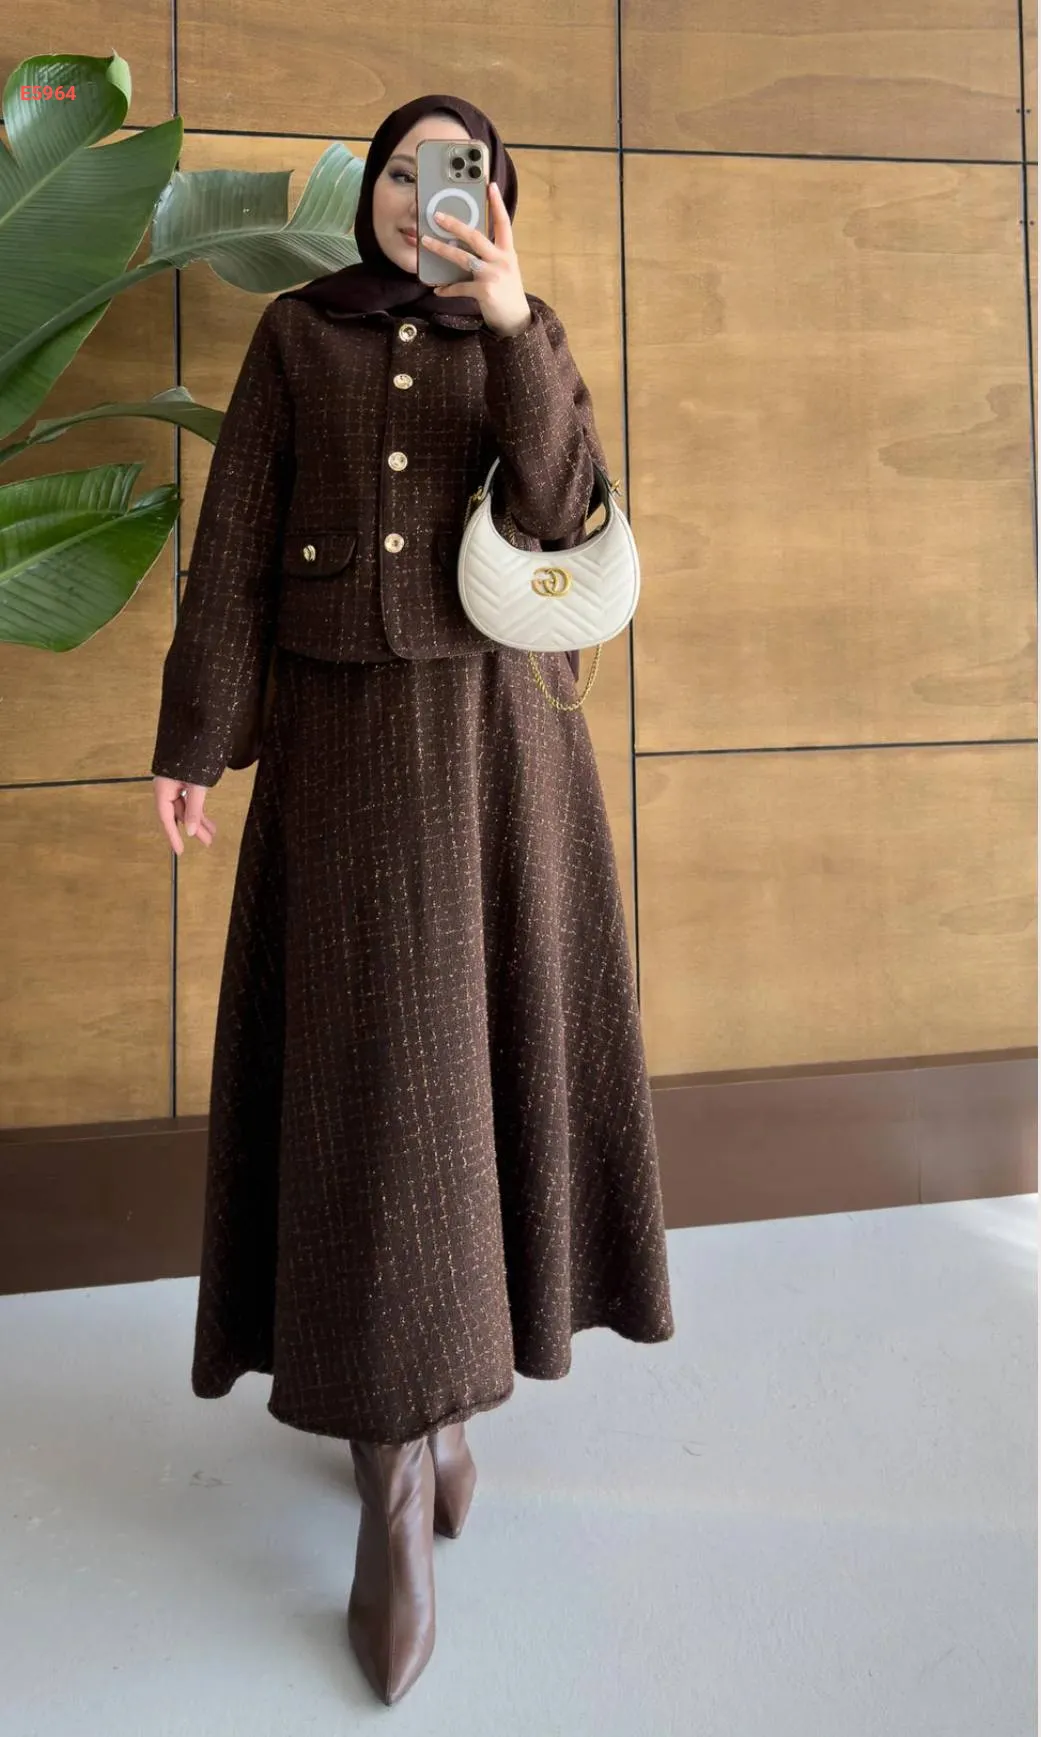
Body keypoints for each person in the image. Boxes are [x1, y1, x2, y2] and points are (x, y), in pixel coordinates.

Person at [151, 92, 675, 1707]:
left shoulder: (526, 331)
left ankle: (435, 1402)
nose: (417, 198)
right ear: (367, 190)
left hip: (503, 767)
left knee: (471, 1083)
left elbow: (561, 506)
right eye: (397, 173)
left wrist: (513, 325)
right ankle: (394, 1469)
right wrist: (194, 744)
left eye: (454, 175)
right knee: (377, 1097)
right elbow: (235, 543)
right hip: (342, 766)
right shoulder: (297, 335)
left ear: (495, 197)